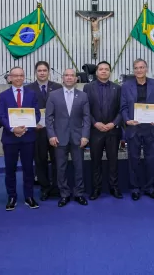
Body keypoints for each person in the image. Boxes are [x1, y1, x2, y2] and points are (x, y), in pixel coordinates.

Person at [46, 68, 90, 207]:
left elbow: (87, 118)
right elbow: (48, 118)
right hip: (59, 138)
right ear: (62, 78)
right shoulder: (53, 95)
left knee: (79, 167)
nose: (69, 78)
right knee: (61, 168)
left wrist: (85, 136)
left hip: (78, 138)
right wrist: (51, 135)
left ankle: (79, 194)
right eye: (67, 75)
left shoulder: (83, 96)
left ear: (76, 79)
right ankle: (64, 194)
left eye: (72, 76)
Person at [0, 67, 41, 211]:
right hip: (10, 139)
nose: (18, 78)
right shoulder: (3, 95)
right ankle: (12, 197)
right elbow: (1, 116)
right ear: (10, 77)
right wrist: (12, 129)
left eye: (21, 75)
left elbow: (37, 114)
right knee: (10, 169)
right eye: (15, 76)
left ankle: (29, 196)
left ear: (24, 77)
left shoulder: (32, 93)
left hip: (27, 137)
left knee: (28, 169)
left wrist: (26, 128)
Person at [120, 58, 154, 201]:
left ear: (146, 68)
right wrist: (127, 120)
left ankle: (150, 188)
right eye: (136, 68)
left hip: (150, 127)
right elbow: (123, 107)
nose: (139, 70)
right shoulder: (126, 86)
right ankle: (135, 188)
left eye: (142, 67)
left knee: (150, 159)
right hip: (134, 127)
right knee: (133, 159)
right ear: (133, 70)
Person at [83, 61, 123, 200]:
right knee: (95, 161)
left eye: (107, 69)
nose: (104, 71)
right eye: (101, 69)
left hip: (113, 131)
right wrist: (95, 123)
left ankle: (114, 187)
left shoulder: (117, 88)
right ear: (97, 72)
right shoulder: (88, 88)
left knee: (113, 161)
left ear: (110, 72)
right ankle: (96, 189)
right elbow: (85, 109)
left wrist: (114, 123)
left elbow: (122, 109)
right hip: (96, 131)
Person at [25, 61, 62, 201]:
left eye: (44, 70)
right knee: (40, 161)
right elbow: (26, 109)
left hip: (56, 131)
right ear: (36, 72)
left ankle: (56, 187)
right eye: (39, 70)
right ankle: (45, 188)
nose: (42, 73)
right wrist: (32, 123)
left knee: (57, 160)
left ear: (48, 72)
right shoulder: (28, 89)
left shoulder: (58, 87)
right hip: (37, 131)